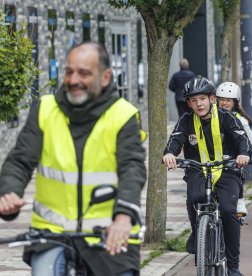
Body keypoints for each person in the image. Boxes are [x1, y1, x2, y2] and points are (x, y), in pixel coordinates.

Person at [0, 42, 147, 276]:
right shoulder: (45, 109)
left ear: (106, 77)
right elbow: (20, 160)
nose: (73, 79)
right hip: (52, 234)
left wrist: (123, 217)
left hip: (109, 234)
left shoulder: (123, 115)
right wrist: (9, 192)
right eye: (69, 71)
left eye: (84, 73)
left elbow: (133, 169)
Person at [163, 76, 252, 276]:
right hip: (198, 168)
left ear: (212, 98)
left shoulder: (227, 117)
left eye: (202, 99)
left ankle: (233, 266)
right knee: (194, 198)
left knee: (229, 211)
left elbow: (241, 138)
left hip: (227, 169)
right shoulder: (186, 120)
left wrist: (244, 154)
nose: (198, 104)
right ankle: (198, 233)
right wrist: (169, 153)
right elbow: (176, 138)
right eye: (193, 100)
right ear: (188, 103)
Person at [216, 81, 252, 217]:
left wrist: (245, 155)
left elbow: (249, 141)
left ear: (235, 102)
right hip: (214, 157)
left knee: (237, 171)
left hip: (234, 157)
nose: (224, 103)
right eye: (221, 99)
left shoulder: (242, 121)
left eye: (228, 100)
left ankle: (239, 199)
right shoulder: (213, 117)